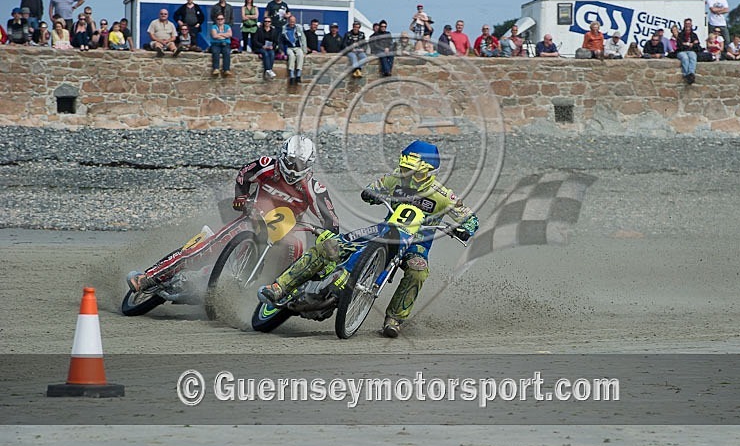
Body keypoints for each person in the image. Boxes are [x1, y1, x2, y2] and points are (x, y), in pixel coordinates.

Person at [258, 140, 479, 338]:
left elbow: (470, 218)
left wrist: (464, 228)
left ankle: (394, 319)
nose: (408, 176)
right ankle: (280, 286)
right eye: (405, 169)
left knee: (419, 270)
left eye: (414, 173)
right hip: (383, 231)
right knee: (330, 246)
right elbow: (374, 187)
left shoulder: (442, 195)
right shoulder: (395, 179)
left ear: (430, 173)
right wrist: (371, 192)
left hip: (416, 244)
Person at [128, 135, 340, 295]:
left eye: (300, 164)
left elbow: (332, 222)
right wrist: (242, 198)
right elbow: (244, 175)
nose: (294, 169)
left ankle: (280, 295)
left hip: (288, 229)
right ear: (282, 156)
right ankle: (149, 277)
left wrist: (325, 235)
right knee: (207, 247)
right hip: (254, 218)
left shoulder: (315, 189)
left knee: (298, 251)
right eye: (291, 161)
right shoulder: (266, 166)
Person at [281, 14, 306, 84]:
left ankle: (298, 75)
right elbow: (281, 40)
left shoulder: (298, 28)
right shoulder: (284, 29)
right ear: (288, 21)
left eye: (293, 21)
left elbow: (303, 39)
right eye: (291, 21)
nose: (292, 23)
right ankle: (291, 75)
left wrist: (304, 50)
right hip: (289, 47)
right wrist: (282, 50)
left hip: (297, 47)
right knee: (291, 56)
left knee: (300, 55)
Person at [676, 18, 701, 84]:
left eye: (689, 24)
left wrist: (687, 44)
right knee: (685, 58)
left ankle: (691, 73)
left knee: (693, 56)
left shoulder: (694, 35)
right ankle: (686, 74)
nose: (688, 25)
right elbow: (680, 46)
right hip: (681, 51)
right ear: (684, 25)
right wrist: (690, 44)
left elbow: (697, 46)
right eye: (686, 24)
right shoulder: (680, 35)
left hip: (691, 51)